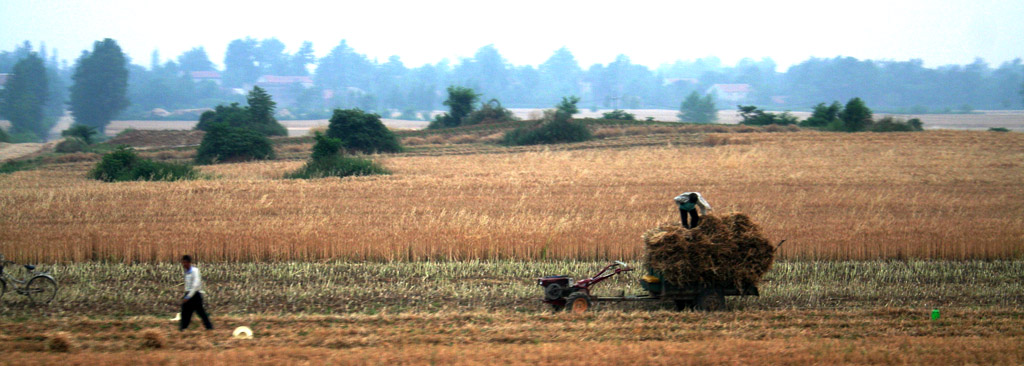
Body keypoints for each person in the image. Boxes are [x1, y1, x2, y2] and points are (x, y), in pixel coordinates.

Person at [179, 255, 213, 331]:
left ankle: (209, 327)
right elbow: (188, 285)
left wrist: (188, 297)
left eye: (185, 263)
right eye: (183, 263)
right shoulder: (186, 272)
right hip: (189, 293)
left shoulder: (195, 271)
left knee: (200, 312)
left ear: (189, 263)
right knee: (185, 312)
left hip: (195, 295)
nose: (184, 264)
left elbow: (195, 285)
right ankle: (183, 328)